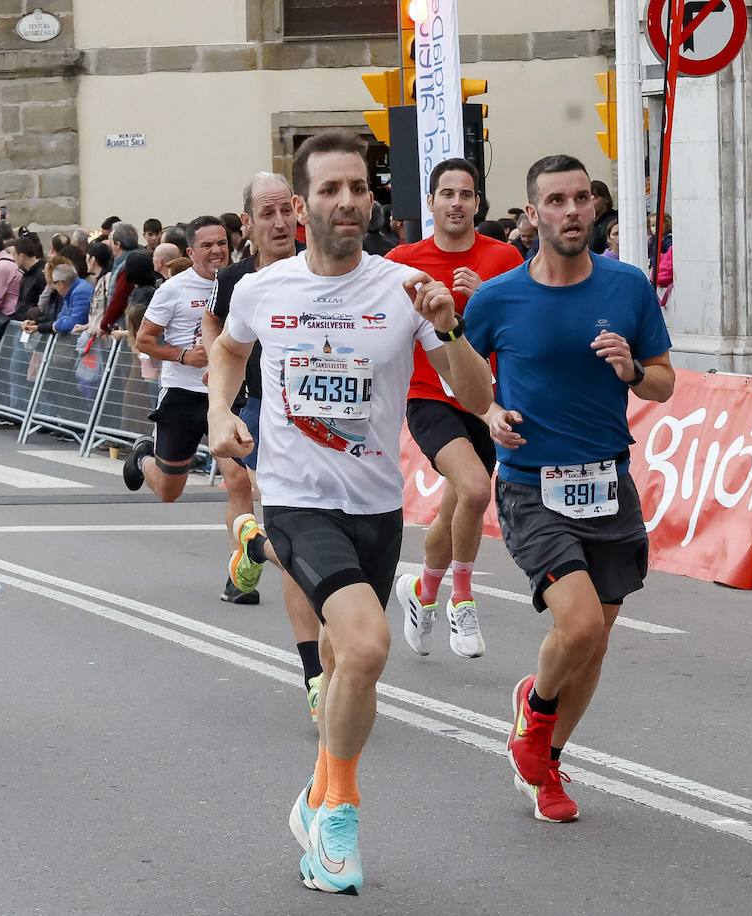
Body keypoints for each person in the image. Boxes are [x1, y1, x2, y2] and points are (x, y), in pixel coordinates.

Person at [207, 129, 492, 896]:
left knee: (342, 666)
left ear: (374, 199)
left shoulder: (403, 288)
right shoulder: (263, 290)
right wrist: (217, 413)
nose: (347, 202)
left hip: (376, 506)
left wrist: (449, 322)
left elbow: (475, 397)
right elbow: (229, 351)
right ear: (301, 207)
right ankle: (340, 814)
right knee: (366, 648)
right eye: (330, 190)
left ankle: (316, 794)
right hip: (298, 501)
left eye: (358, 188)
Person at [466, 154, 674, 823]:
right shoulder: (497, 298)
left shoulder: (626, 287)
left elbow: (665, 381)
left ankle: (546, 761)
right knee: (578, 622)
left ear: (595, 208)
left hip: (609, 481)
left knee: (596, 639)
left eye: (582, 198)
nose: (572, 211)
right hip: (532, 486)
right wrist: (490, 414)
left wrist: (634, 370)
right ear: (532, 215)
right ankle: (536, 717)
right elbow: (458, 382)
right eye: (555, 200)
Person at [387, 158, 525, 660]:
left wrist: (484, 296)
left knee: (455, 509)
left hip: (484, 397)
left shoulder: (504, 257)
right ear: (430, 202)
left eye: (466, 194)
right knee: (472, 488)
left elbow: (524, 319)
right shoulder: (404, 259)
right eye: (447, 193)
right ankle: (461, 600)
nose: (457, 203)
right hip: (428, 396)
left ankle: (421, 593)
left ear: (478, 203)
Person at [199, 171, 324, 716]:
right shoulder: (236, 280)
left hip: (329, 423)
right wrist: (219, 397)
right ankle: (316, 674)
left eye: (284, 212)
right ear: (247, 223)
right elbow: (216, 326)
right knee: (288, 531)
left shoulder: (326, 265)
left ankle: (252, 546)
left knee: (299, 538)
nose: (278, 224)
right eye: (265, 214)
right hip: (261, 410)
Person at [123, 216, 258, 602]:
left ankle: (240, 573)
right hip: (182, 395)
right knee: (169, 490)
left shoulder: (241, 282)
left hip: (227, 396)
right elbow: (145, 340)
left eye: (222, 243)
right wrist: (184, 355)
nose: (217, 251)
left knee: (238, 480)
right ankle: (141, 458)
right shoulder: (174, 290)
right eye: (208, 246)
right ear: (191, 252)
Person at [588, 179, 617, 254]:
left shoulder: (613, 222)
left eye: (595, 197)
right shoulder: (588, 223)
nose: (590, 202)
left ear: (606, 199)